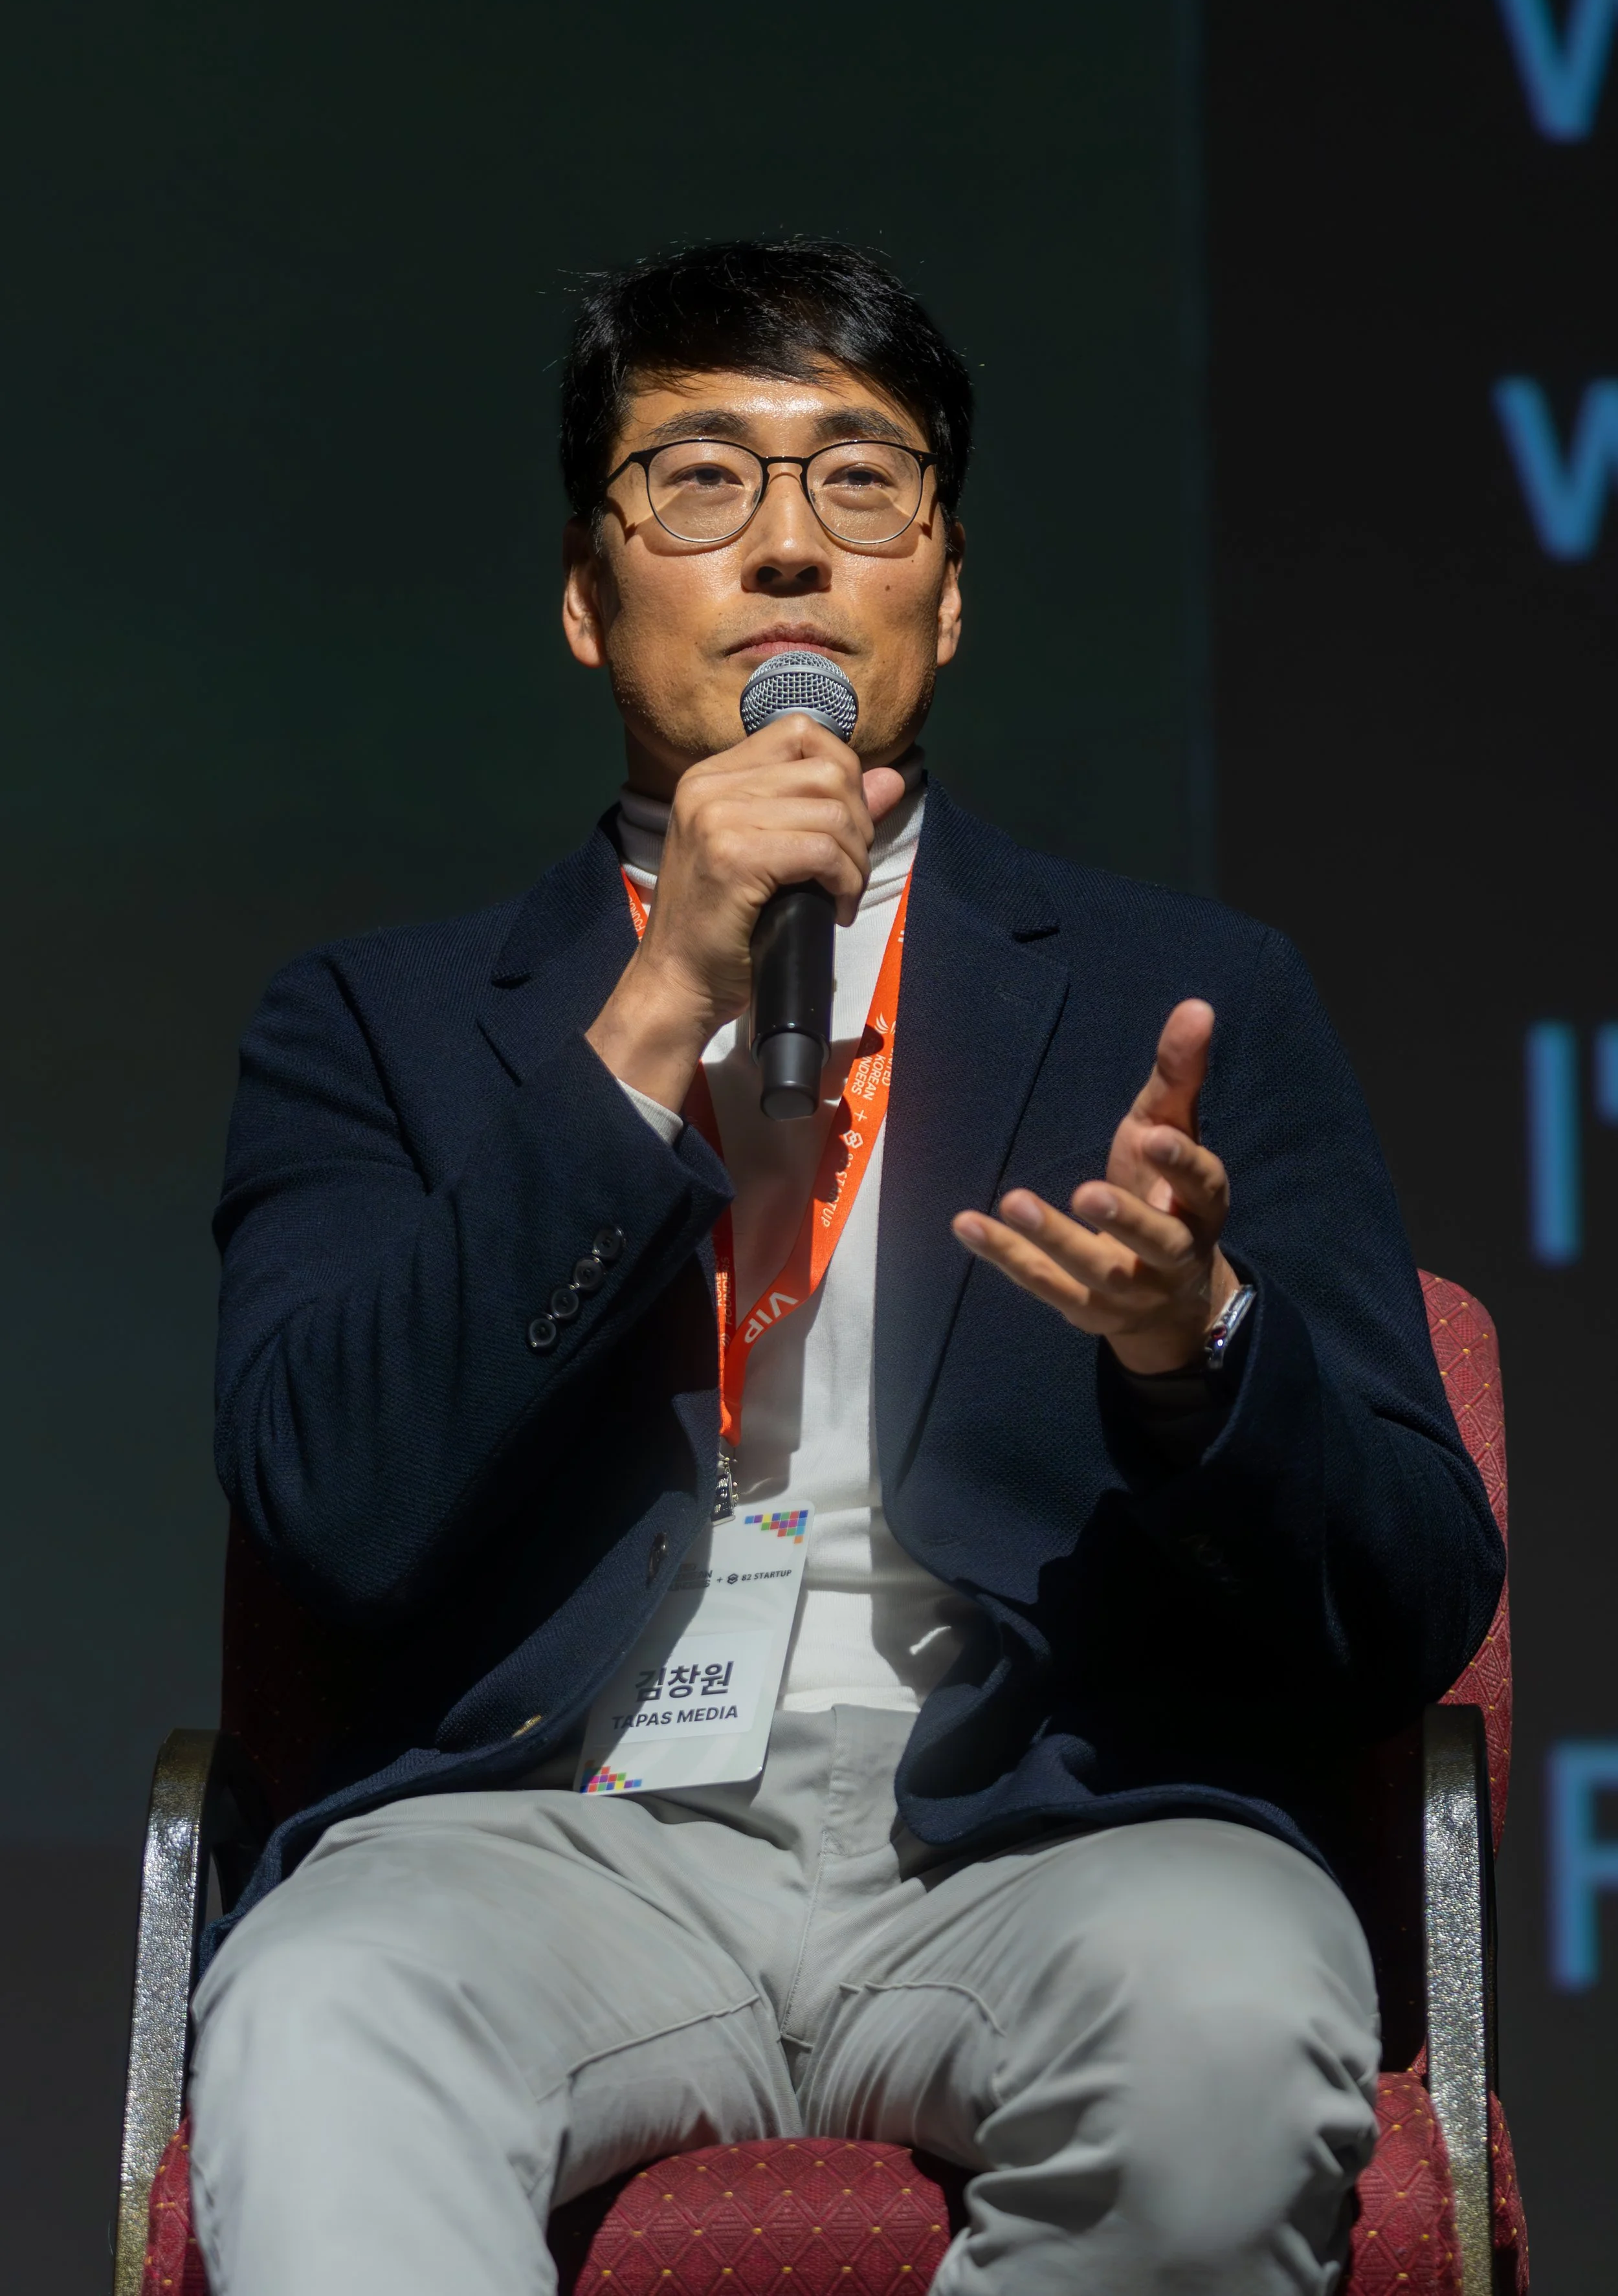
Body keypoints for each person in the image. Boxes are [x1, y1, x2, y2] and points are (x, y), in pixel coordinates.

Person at [187, 239, 1502, 2296]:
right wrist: (648, 1020)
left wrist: (1197, 1351)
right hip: (556, 1833)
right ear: (580, 590)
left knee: (1229, 2027)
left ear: (946, 590)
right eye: (700, 478)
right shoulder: (373, 1023)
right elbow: (330, 1509)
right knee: (313, 2012)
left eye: (860, 483)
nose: (787, 549)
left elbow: (1412, 1589)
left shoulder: (1192, 997)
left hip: (1046, 1826)